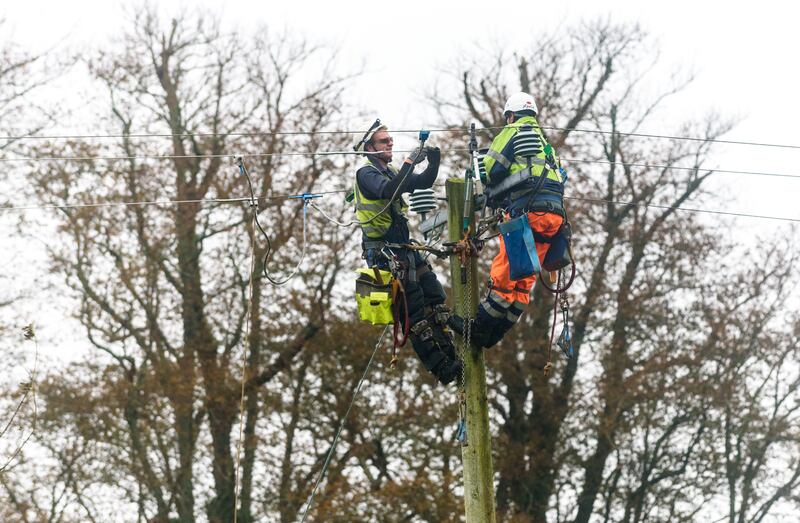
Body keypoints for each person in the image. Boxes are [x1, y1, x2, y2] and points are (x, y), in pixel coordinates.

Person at [450, 92, 567, 348]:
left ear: (510, 116)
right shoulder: (547, 145)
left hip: (528, 213)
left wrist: (482, 172)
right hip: (554, 219)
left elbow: (491, 170)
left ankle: (478, 328)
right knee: (523, 281)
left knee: (505, 271)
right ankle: (494, 335)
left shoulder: (512, 131)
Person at [352, 120, 462, 384]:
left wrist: (432, 161)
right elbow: (388, 191)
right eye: (384, 141)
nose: (390, 143)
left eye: (390, 139)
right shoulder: (366, 174)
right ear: (370, 148)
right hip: (386, 254)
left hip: (404, 249)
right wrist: (410, 161)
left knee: (435, 298)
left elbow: (422, 181)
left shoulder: (389, 171)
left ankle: (454, 355)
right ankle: (442, 367)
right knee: (414, 312)